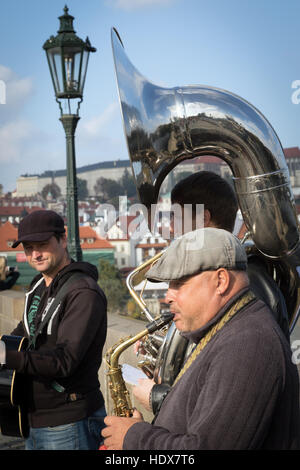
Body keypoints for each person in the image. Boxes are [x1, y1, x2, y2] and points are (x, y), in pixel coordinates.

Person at [102, 228, 300, 450]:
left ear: (221, 281)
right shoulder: (232, 330)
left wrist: (134, 438)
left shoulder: (249, 345)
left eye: (178, 283)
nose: (168, 296)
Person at [133, 171, 290, 414]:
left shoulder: (249, 282)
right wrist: (160, 352)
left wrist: (157, 398)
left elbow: (224, 394)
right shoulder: (217, 273)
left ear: (203, 218)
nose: (171, 227)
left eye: (176, 217)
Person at [0, 210, 107, 450]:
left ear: (62, 239)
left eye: (42, 245)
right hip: (33, 419)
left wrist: (5, 357)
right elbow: (24, 335)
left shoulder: (83, 292)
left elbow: (64, 360)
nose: (35, 254)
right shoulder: (38, 284)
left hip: (69, 421)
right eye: (28, 247)